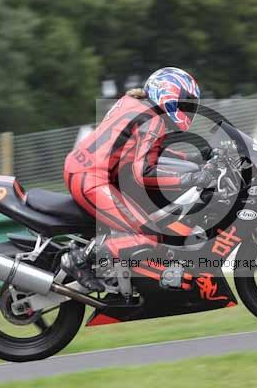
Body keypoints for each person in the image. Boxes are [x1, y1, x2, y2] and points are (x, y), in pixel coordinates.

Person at [63, 67, 216, 290]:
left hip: (83, 170)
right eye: (186, 104)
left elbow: (151, 152)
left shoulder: (137, 106)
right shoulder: (151, 119)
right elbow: (142, 172)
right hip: (91, 179)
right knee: (148, 235)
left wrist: (195, 158)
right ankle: (79, 260)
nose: (189, 111)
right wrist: (192, 178)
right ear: (168, 93)